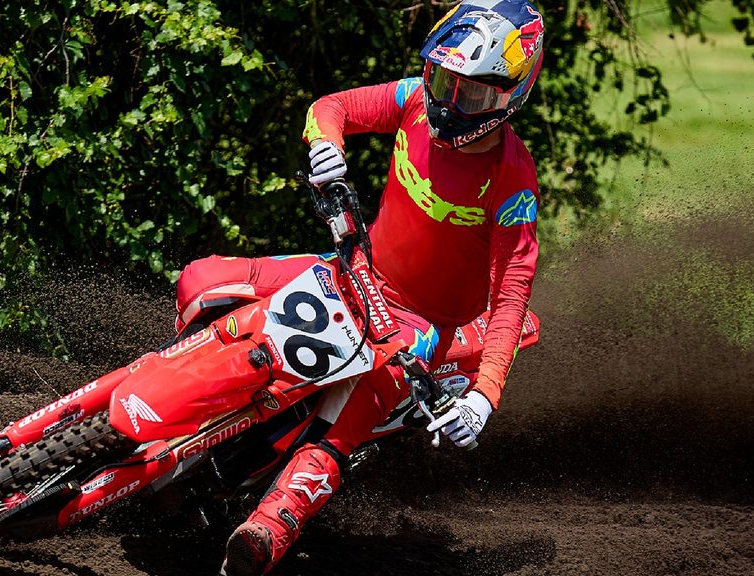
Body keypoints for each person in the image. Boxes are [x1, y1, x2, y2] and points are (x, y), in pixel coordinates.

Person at [173, 1, 545, 574]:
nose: (449, 103)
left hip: (420, 327)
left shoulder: (513, 182)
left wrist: (483, 397)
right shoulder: (415, 99)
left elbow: (512, 298)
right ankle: (186, 414)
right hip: (352, 270)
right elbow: (332, 106)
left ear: (510, 96)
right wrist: (327, 143)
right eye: (443, 81)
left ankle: (266, 531)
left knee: (339, 424)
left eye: (470, 94)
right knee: (199, 280)